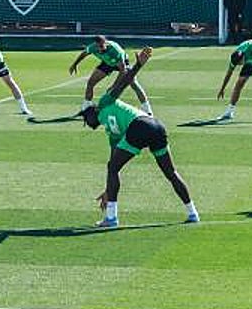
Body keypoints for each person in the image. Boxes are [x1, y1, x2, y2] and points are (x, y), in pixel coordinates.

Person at [81, 46, 198, 229]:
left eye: (86, 117)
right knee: (170, 173)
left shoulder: (104, 103)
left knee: (115, 168)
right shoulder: (111, 131)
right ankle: (193, 213)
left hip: (140, 126)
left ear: (94, 110)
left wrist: (137, 66)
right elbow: (115, 166)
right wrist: (108, 191)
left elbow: (123, 83)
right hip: (156, 126)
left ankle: (111, 219)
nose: (87, 121)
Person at [70, 35, 151, 115]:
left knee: (133, 83)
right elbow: (84, 53)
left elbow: (122, 71)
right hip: (107, 63)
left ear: (106, 43)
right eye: (97, 47)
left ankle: (147, 109)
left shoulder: (115, 51)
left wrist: (114, 86)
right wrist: (75, 64)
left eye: (101, 46)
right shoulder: (92, 47)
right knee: (91, 82)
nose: (99, 49)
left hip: (121, 64)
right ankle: (86, 107)